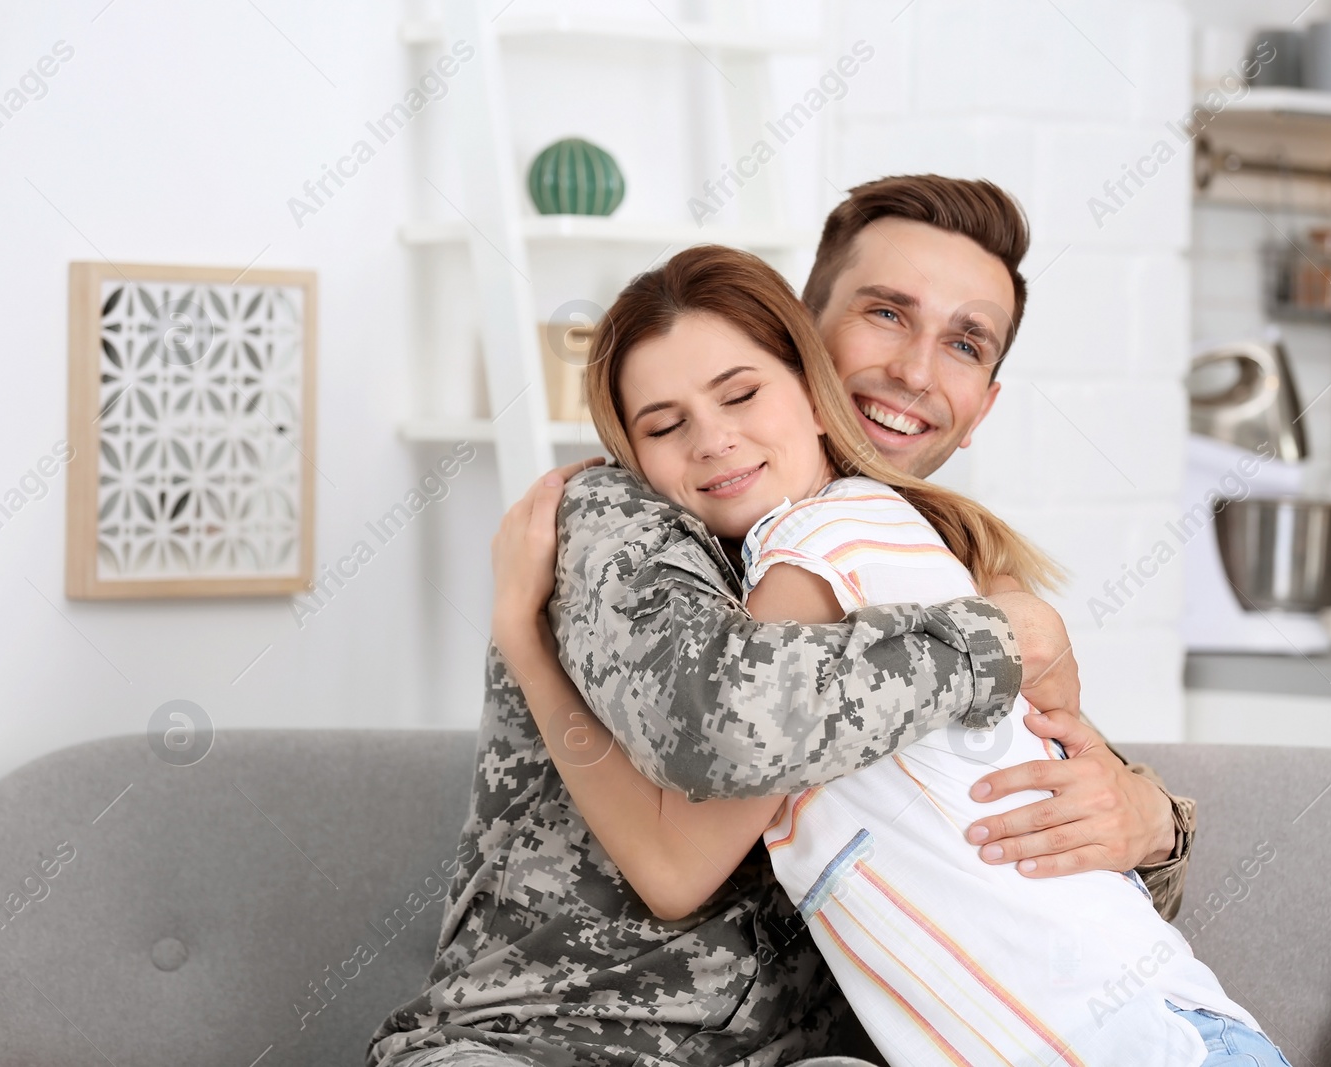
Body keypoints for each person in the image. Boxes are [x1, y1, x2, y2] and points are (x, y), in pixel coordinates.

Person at [368, 176, 1197, 1067]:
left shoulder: (933, 562)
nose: (916, 371)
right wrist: (1006, 639)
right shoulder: (622, 516)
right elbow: (723, 723)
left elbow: (1051, 820)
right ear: (804, 333)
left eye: (963, 342)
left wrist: (1154, 821)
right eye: (886, 313)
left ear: (983, 404)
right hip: (544, 1039)